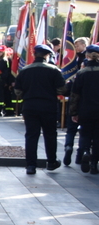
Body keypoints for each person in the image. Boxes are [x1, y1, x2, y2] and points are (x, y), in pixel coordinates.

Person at [14, 44, 68, 174]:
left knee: (31, 135)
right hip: (48, 106)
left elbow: (17, 91)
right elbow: (62, 90)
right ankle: (51, 162)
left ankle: (31, 165)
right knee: (50, 134)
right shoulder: (54, 70)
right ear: (47, 55)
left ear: (34, 54)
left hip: (30, 106)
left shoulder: (24, 70)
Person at [69, 45, 99, 174]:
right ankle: (94, 164)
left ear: (87, 56)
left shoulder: (81, 73)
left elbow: (75, 95)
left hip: (85, 110)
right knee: (97, 138)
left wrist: (74, 112)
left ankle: (86, 151)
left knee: (85, 134)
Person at [64, 37, 91, 165]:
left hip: (76, 107)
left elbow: (71, 92)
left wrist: (73, 111)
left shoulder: (78, 76)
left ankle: (69, 146)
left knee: (71, 130)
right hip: (89, 108)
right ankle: (82, 153)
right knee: (85, 133)